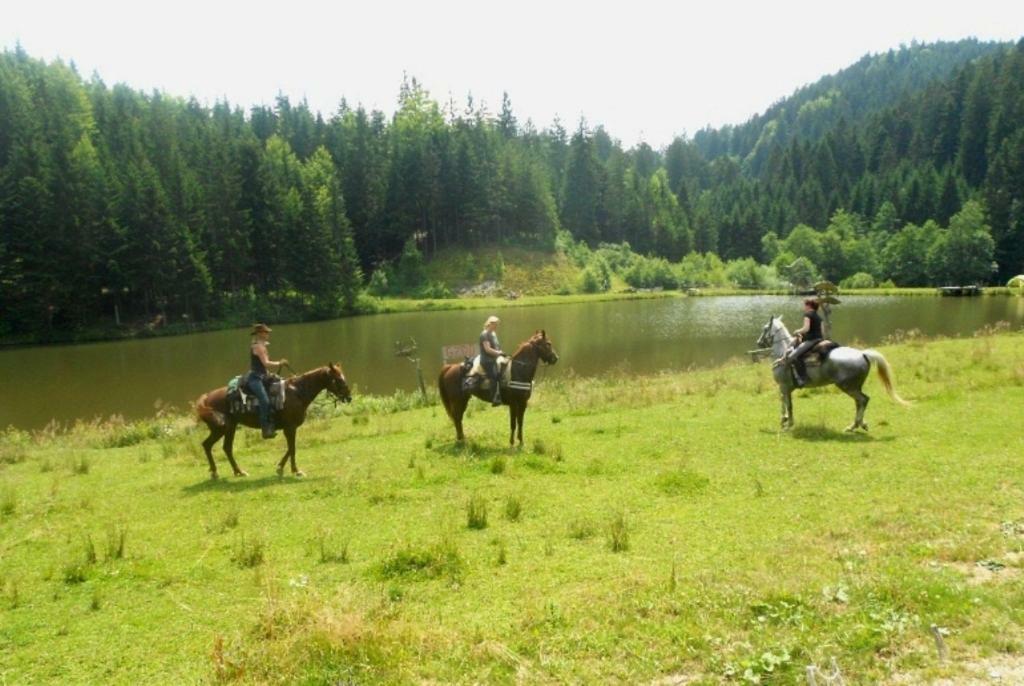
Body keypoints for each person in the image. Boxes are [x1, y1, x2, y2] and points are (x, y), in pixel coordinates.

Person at [247, 323, 288, 438]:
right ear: (260, 334)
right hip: (255, 378)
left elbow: (263, 366)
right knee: (265, 401)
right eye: (266, 332)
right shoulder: (258, 347)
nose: (268, 334)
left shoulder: (262, 345)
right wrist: (280, 363)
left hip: (264, 375)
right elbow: (266, 363)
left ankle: (276, 421)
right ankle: (265, 429)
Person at [786, 299, 823, 388]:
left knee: (793, 356)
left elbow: (806, 329)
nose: (804, 307)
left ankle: (803, 378)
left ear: (809, 306)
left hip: (811, 341)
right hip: (819, 340)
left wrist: (797, 331)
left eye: (805, 305)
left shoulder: (807, 315)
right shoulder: (819, 317)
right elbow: (822, 331)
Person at [479, 315, 504, 406]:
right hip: (487, 360)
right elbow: (487, 349)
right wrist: (498, 353)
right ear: (490, 324)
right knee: (494, 376)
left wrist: (500, 353)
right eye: (495, 324)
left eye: (497, 324)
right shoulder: (484, 334)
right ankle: (494, 398)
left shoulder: (493, 334)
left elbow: (496, 346)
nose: (497, 326)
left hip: (495, 358)